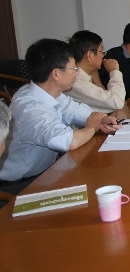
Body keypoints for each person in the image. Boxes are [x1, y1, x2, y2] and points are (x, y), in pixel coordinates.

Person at [0, 39, 119, 186]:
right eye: (74, 68)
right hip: (21, 184)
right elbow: (68, 141)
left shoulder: (51, 93)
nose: (77, 73)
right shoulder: (30, 109)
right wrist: (92, 128)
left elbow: (76, 110)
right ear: (56, 74)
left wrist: (101, 119)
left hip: (48, 171)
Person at [67, 30, 126, 114]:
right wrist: (114, 72)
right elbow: (117, 102)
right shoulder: (76, 82)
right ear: (90, 55)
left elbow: (106, 100)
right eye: (102, 52)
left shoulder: (87, 75)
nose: (103, 56)